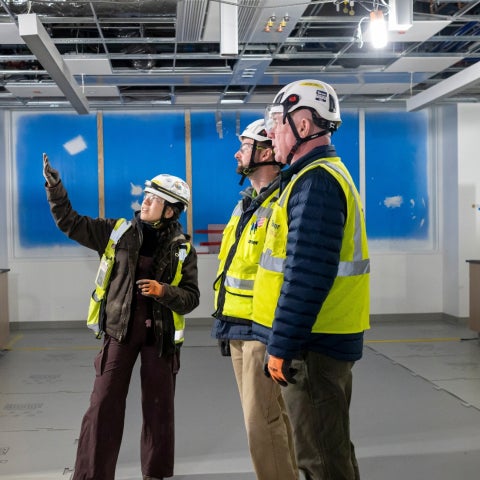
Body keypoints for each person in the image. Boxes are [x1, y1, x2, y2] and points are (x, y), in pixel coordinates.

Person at [42, 153, 200, 480]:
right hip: (121, 333)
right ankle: (91, 475)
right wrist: (55, 188)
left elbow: (191, 298)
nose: (145, 202)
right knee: (103, 406)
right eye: (145, 196)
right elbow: (70, 222)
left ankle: (155, 473)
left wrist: (163, 292)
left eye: (153, 199)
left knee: (159, 411)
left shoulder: (182, 248)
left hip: (160, 340)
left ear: (170, 210)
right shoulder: (118, 232)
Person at [252, 80, 370, 480]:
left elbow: (306, 276)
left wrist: (281, 346)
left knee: (319, 458)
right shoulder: (312, 177)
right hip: (319, 340)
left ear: (303, 126)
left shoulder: (315, 183)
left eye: (277, 124)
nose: (271, 134)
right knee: (329, 448)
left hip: (313, 346)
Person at [211, 119, 298, 480]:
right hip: (237, 326)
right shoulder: (246, 203)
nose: (237, 152)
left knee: (258, 423)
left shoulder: (283, 203)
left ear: (264, 153)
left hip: (262, 329)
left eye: (244, 145)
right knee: (268, 415)